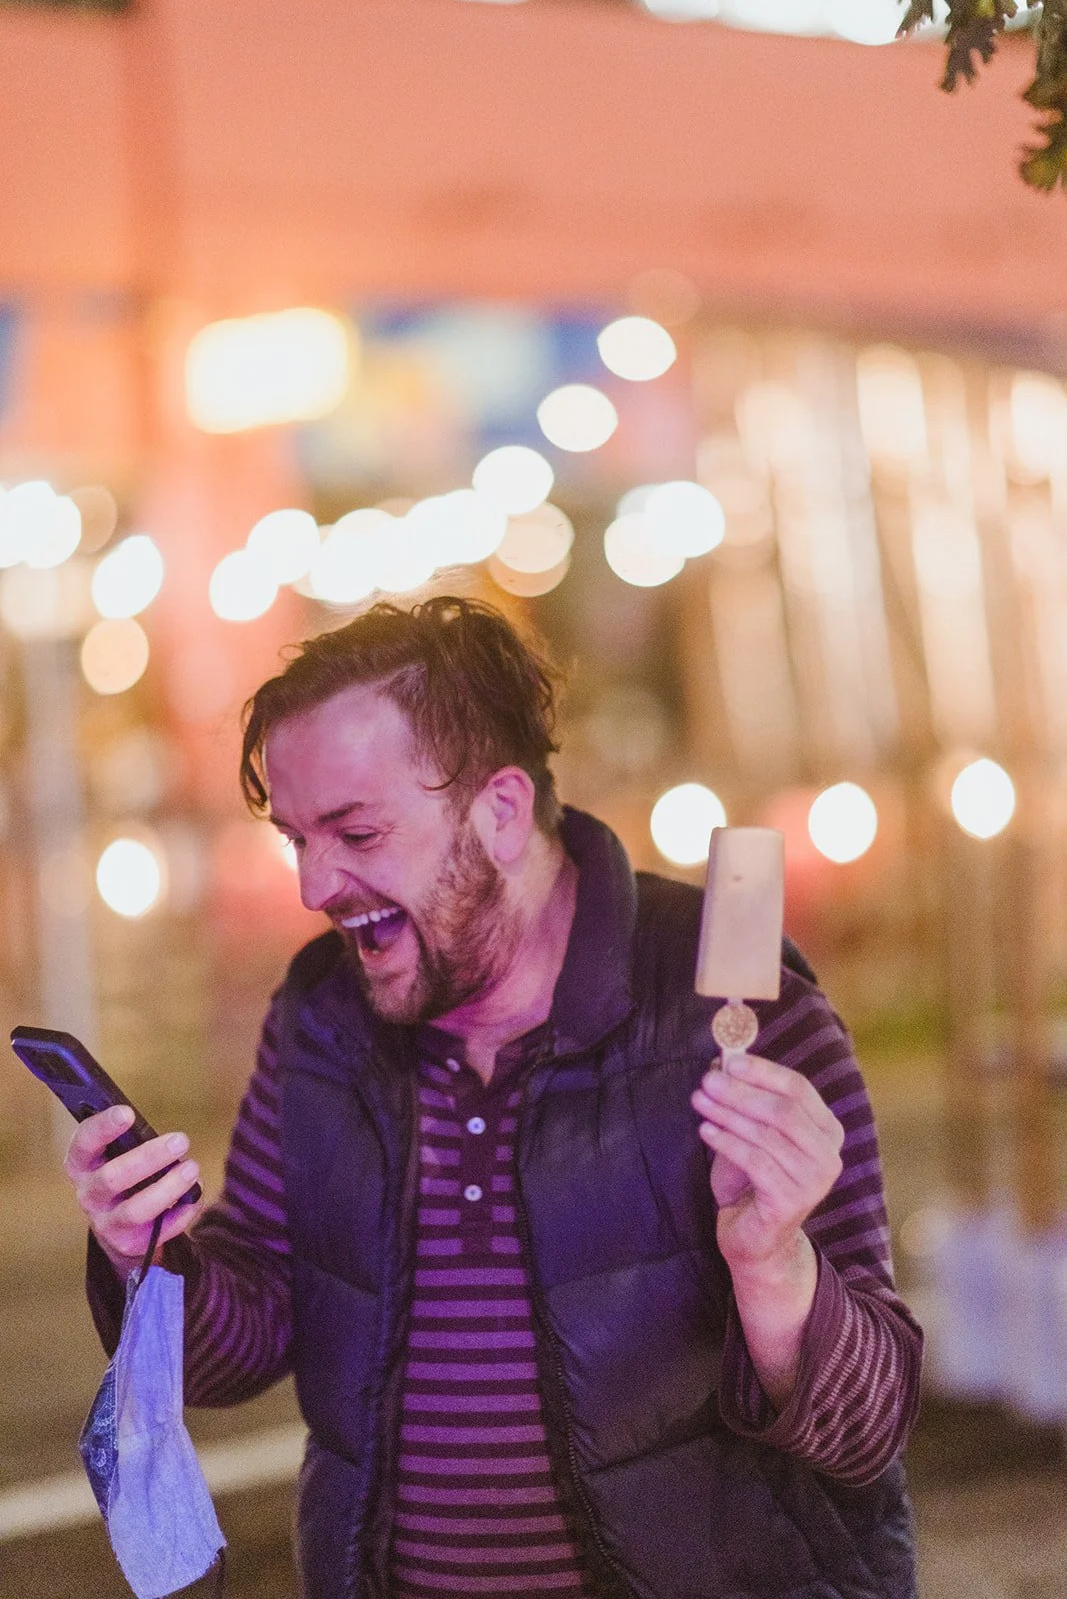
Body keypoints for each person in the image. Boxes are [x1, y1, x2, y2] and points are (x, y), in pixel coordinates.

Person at [65, 595, 923, 1599]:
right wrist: (150, 1261)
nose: (313, 886)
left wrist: (775, 1268)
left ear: (502, 811)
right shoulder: (321, 1017)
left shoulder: (734, 1012)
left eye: (356, 830)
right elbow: (238, 1343)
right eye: (296, 837)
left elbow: (867, 1433)